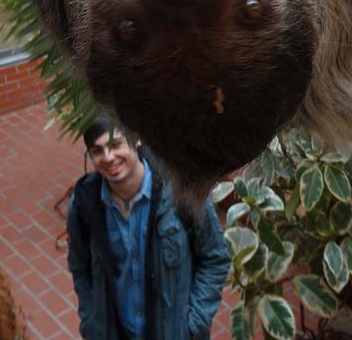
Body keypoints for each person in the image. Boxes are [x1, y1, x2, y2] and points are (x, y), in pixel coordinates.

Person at [67, 116, 230, 340]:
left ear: (137, 141)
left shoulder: (180, 193)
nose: (108, 158)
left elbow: (215, 258)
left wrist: (194, 324)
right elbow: (80, 268)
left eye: (115, 145)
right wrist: (91, 322)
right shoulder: (85, 204)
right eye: (97, 151)